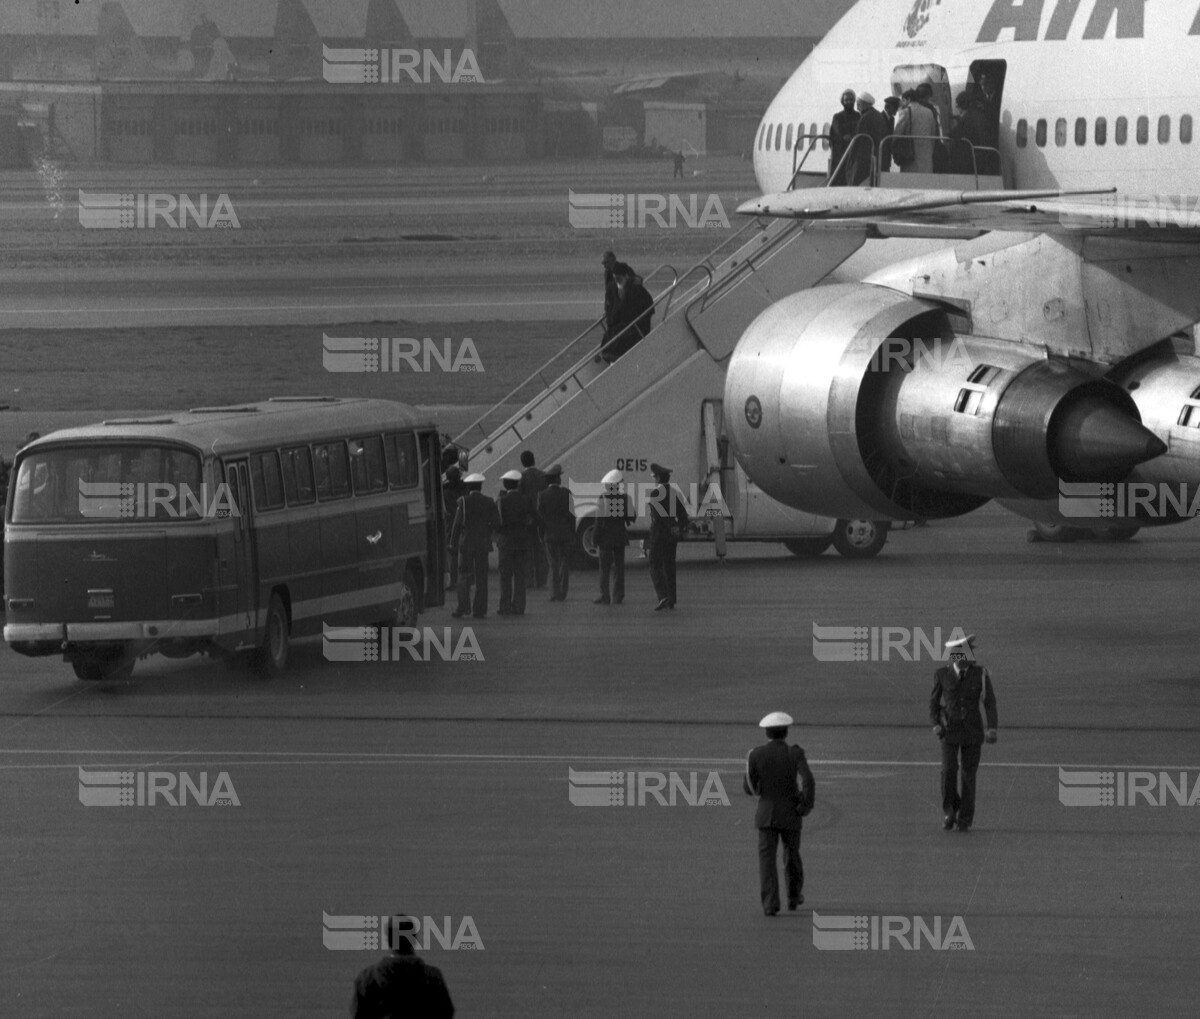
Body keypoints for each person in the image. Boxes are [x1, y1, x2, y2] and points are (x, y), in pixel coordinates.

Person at [743, 711, 815, 916]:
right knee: (792, 856)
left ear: (767, 732)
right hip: (791, 813)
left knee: (767, 861)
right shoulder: (794, 753)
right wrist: (806, 805)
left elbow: (748, 787)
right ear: (786, 732)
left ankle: (770, 904)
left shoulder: (755, 754)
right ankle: (793, 897)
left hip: (766, 815)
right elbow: (808, 780)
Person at [929, 634, 998, 832]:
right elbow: (933, 703)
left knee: (969, 776)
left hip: (972, 732)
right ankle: (950, 811)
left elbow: (989, 703)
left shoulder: (980, 674)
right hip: (949, 732)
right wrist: (935, 723)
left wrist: (991, 728)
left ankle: (965, 819)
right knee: (948, 771)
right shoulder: (942, 674)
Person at [351, 914, 454, 1019]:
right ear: (413, 939)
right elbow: (446, 1013)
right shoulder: (434, 977)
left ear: (388, 940)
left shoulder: (367, 978)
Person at [450, 472, 499, 619]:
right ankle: (480, 609)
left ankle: (463, 607)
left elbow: (457, 524)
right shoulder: (489, 502)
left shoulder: (463, 502)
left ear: (468, 487)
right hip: (483, 543)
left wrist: (452, 542)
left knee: (463, 575)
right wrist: (488, 531)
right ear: (481, 486)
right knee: (481, 577)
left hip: (466, 543)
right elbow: (497, 523)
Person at [646, 462, 689, 611]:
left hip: (659, 536)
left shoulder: (655, 493)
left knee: (654, 564)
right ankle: (671, 598)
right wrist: (680, 528)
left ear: (657, 478)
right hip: (671, 539)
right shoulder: (672, 493)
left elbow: (658, 516)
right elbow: (683, 514)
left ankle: (663, 596)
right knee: (669, 567)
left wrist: (670, 526)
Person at [593, 468, 634, 605]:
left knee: (604, 569)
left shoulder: (603, 499)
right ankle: (618, 596)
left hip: (605, 540)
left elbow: (598, 523)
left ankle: (604, 596)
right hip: (620, 538)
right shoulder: (625, 498)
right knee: (619, 568)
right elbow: (632, 517)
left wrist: (595, 539)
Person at [496, 468, 532, 616]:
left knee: (505, 576)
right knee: (520, 575)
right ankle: (519, 606)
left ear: (505, 484)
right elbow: (532, 518)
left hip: (506, 542)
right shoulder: (525, 500)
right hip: (522, 541)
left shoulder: (501, 501)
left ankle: (504, 606)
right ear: (518, 484)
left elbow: (497, 522)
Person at [601, 263, 654, 363]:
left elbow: (644, 310)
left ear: (626, 276)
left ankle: (612, 357)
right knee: (612, 335)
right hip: (626, 326)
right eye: (615, 278)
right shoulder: (616, 290)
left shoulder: (636, 290)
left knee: (617, 336)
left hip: (636, 327)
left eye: (618, 278)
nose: (617, 281)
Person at [537, 463, 574, 601]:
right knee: (564, 564)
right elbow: (572, 516)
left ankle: (554, 593)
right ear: (558, 479)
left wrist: (541, 534)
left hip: (550, 535)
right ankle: (563, 592)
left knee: (552, 564)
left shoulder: (542, 495)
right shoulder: (567, 493)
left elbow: (541, 518)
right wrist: (572, 533)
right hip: (565, 534)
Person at [518, 450, 548, 588]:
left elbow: (520, 499)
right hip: (541, 517)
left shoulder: (521, 478)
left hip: (527, 518)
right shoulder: (543, 476)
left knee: (527, 551)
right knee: (541, 550)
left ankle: (529, 581)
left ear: (522, 462)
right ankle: (541, 580)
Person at [894, 88, 937, 173]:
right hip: (927, 155)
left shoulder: (905, 112)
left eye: (903, 100)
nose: (903, 103)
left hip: (910, 155)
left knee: (911, 182)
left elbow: (897, 133)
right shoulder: (929, 112)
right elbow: (933, 132)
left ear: (908, 99)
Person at [851, 92, 889, 185]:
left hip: (864, 157)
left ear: (864, 104)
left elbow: (859, 138)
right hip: (876, 156)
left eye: (859, 103)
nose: (857, 105)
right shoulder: (878, 115)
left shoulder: (865, 117)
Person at [442, 464, 467, 588]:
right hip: (464, 523)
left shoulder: (444, 491)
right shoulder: (464, 488)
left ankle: (452, 580)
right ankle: (464, 579)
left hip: (450, 523)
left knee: (451, 553)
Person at [829, 89, 859, 184]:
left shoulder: (858, 116)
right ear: (842, 102)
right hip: (840, 154)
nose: (849, 102)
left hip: (853, 153)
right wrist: (844, 137)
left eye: (851, 99)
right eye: (846, 100)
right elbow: (837, 132)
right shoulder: (837, 117)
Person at [880, 95, 900, 171]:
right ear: (888, 107)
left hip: (887, 154)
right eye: (895, 107)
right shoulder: (880, 118)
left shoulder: (891, 119)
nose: (896, 110)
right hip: (882, 153)